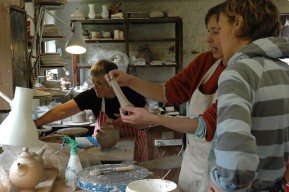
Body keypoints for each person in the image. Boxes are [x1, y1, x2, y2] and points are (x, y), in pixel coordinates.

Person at [105, 3, 226, 192]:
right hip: (194, 161)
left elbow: (207, 125)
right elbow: (168, 92)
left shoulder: (241, 74)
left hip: (225, 171)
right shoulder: (206, 61)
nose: (209, 39)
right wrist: (130, 81)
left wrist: (154, 118)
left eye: (216, 32)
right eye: (209, 31)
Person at [209, 0, 289, 191]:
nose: (217, 38)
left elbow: (234, 152)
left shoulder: (238, 73)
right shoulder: (284, 71)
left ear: (237, 23)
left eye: (219, 29)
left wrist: (226, 185)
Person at [34, 60, 148, 162]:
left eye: (99, 83)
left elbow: (146, 123)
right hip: (104, 147)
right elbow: (62, 111)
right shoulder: (92, 95)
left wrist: (127, 121)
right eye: (93, 82)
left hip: (133, 147)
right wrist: (37, 123)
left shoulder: (132, 94)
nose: (94, 86)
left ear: (113, 83)